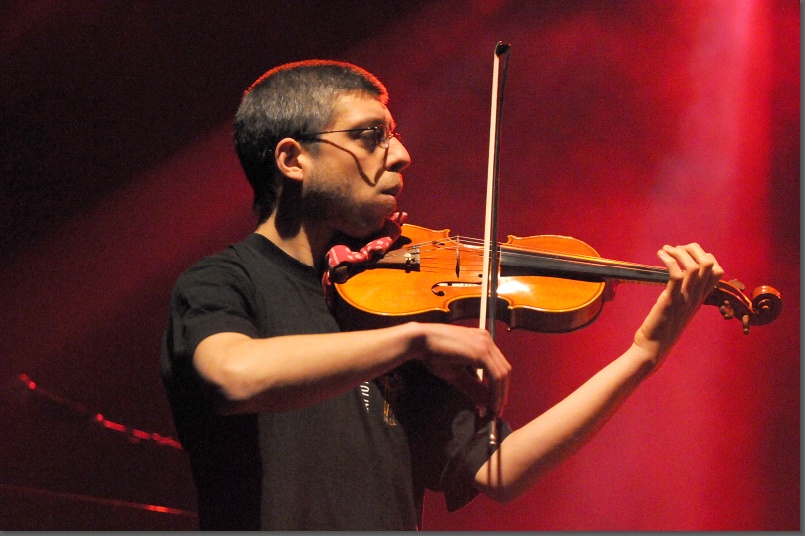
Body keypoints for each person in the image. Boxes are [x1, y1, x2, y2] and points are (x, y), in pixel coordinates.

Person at [160, 59, 723, 530]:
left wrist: (642, 356)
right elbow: (233, 375)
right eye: (370, 136)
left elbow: (501, 471)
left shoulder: (380, 303)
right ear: (292, 159)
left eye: (394, 135)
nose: (400, 154)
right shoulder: (224, 282)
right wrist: (415, 339)